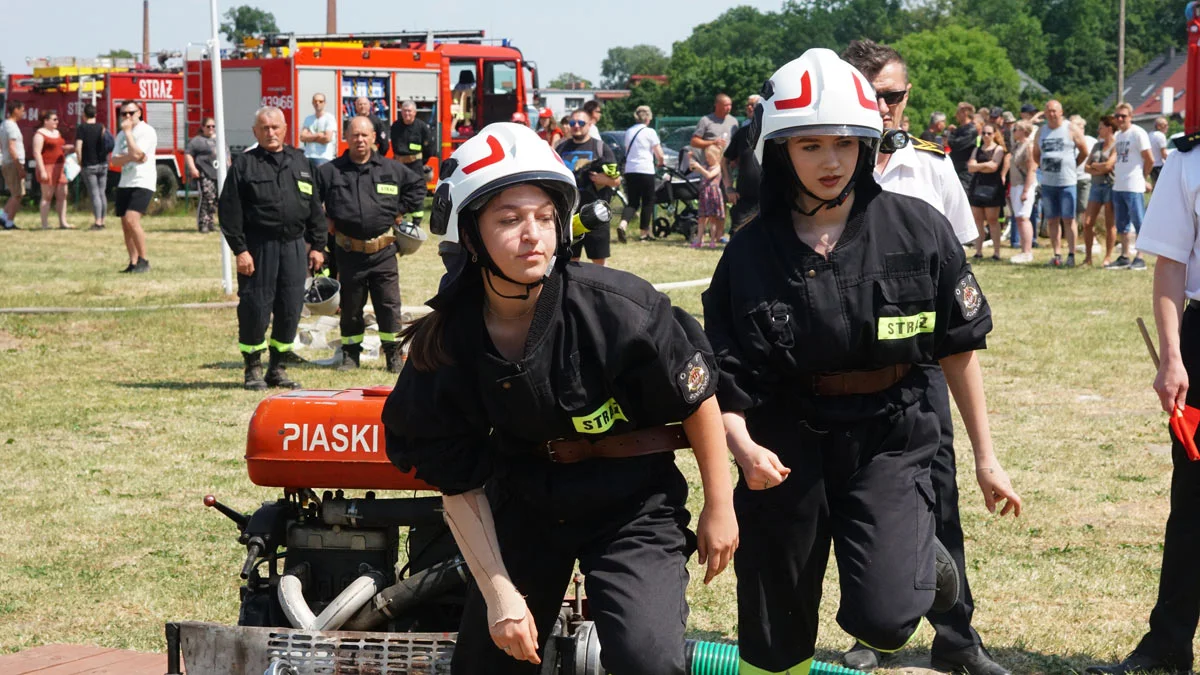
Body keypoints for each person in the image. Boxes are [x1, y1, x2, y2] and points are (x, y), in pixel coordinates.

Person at [702, 49, 1021, 675]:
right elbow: (723, 376)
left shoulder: (918, 230)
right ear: (780, 152)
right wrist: (741, 447)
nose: (830, 161)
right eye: (811, 145)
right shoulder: (747, 254)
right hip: (782, 439)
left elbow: (958, 346)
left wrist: (987, 458)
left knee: (886, 619)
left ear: (868, 146)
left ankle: (921, 567)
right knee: (774, 624)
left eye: (846, 144)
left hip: (892, 433)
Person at [382, 121, 738, 674]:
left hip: (633, 507)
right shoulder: (447, 343)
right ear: (469, 235)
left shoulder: (620, 309)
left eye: (545, 218)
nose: (533, 236)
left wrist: (720, 505)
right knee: (486, 663)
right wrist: (500, 596)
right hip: (525, 504)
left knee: (647, 660)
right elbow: (456, 479)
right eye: (509, 220)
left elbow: (696, 400)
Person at [842, 39, 1010, 675]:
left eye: (894, 94)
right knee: (850, 503)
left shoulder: (933, 167)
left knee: (940, 500)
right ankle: (867, 634)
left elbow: (958, 273)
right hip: (843, 372)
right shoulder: (817, 171)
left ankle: (957, 637)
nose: (886, 107)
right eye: (872, 95)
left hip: (921, 367)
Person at [1084, 130, 1200, 675]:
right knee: (1194, 502)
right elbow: (1171, 265)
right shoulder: (1189, 159)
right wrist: (1172, 357)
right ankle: (1168, 645)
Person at [218, 106, 326, 390]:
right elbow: (229, 211)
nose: (270, 132)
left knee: (291, 307)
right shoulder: (244, 165)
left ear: (285, 128)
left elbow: (314, 208)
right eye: (264, 128)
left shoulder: (301, 162)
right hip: (258, 248)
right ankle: (252, 367)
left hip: (293, 247)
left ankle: (277, 367)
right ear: (255, 132)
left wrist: (318, 246)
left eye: (275, 127)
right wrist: (240, 250)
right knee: (255, 306)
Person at [318, 116, 425, 373]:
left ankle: (393, 356)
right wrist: (325, 221)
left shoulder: (390, 169)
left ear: (374, 138)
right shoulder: (330, 171)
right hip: (348, 251)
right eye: (355, 135)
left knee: (389, 305)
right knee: (351, 307)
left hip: (383, 251)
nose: (360, 140)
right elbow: (311, 202)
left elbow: (418, 187)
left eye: (365, 135)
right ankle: (350, 355)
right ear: (346, 138)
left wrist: (399, 210)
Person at [555, 109, 619, 266]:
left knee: (598, 263)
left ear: (590, 124)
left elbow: (616, 181)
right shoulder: (561, 148)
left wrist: (601, 179)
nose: (576, 126)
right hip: (568, 214)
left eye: (581, 123)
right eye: (572, 123)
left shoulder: (600, 147)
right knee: (569, 261)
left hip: (595, 213)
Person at [1033, 100, 1089, 268]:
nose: (1051, 114)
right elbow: (1036, 154)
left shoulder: (1070, 128)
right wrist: (1043, 167)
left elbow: (1084, 150)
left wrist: (1072, 165)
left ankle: (1071, 254)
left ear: (1061, 112)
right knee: (1051, 220)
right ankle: (1056, 254)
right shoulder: (1041, 131)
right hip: (1048, 183)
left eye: (1054, 111)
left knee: (1069, 218)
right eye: (1048, 111)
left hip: (1067, 182)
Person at [111, 101, 157, 272]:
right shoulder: (120, 135)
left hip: (143, 181)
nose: (127, 117)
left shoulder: (146, 131)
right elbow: (114, 160)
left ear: (140, 112)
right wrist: (130, 156)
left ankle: (144, 260)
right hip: (126, 181)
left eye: (131, 113)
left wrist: (129, 134)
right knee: (125, 223)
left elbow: (140, 155)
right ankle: (133, 262)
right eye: (123, 114)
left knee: (132, 219)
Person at [1108, 102, 1154, 271]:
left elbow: (1149, 158)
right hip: (1119, 184)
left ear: (1131, 117)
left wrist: (1143, 178)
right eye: (1117, 116)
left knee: (1139, 222)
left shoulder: (1137, 133)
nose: (1119, 119)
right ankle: (1125, 256)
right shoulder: (1119, 135)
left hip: (1133, 185)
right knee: (1122, 224)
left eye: (1123, 116)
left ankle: (1140, 257)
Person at [619, 104, 664, 243]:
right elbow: (659, 153)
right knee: (648, 201)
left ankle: (623, 224)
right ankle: (644, 233)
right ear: (648, 118)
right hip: (646, 169)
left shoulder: (629, 131)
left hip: (630, 170)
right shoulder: (650, 132)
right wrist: (660, 162)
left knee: (632, 201)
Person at [724, 94, 764, 234]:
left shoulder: (775, 135)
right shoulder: (742, 134)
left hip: (769, 198)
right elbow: (725, 160)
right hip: (744, 199)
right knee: (738, 241)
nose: (749, 107)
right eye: (748, 105)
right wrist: (729, 188)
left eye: (754, 105)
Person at [968, 124, 1007, 260]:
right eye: (983, 133)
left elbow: (994, 167)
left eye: (989, 133)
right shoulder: (976, 149)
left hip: (993, 188)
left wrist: (978, 166)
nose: (986, 135)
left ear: (994, 134)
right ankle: (978, 251)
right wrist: (985, 165)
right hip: (977, 187)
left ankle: (996, 253)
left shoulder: (999, 149)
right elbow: (970, 167)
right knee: (977, 220)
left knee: (992, 220)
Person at [1083, 116, 1118, 268]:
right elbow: (1086, 167)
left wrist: (1095, 167)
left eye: (1101, 127)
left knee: (1110, 223)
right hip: (1096, 186)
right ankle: (1088, 257)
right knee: (1087, 222)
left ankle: (1108, 256)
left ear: (1109, 128)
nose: (1098, 130)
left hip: (1110, 185)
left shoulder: (1116, 145)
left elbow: (1110, 166)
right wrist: (1099, 168)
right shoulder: (1097, 146)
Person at [32, 109, 75, 230]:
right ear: (46, 121)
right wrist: (42, 171)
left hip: (60, 166)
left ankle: (63, 222)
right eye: (54, 119)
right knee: (47, 196)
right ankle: (44, 224)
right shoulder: (40, 134)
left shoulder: (57, 133)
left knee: (63, 194)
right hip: (47, 166)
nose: (57, 121)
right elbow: (37, 152)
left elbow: (58, 147)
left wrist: (65, 149)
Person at [75, 104, 111, 232]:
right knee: (102, 193)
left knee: (95, 193)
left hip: (89, 165)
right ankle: (103, 220)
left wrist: (80, 162)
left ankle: (98, 222)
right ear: (95, 115)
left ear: (84, 115)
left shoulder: (82, 128)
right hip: (103, 163)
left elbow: (78, 147)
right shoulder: (101, 127)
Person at [1008, 121, 1039, 265]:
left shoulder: (1029, 146)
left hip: (1024, 185)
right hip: (1016, 185)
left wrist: (1026, 190)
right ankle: (1023, 249)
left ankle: (1027, 251)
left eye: (1016, 129)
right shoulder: (1017, 146)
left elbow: (1031, 169)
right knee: (1019, 218)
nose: (1014, 131)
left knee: (1023, 218)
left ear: (1023, 131)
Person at [186, 117, 221, 233]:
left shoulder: (219, 139)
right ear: (202, 127)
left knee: (215, 199)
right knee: (207, 197)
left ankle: (211, 223)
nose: (211, 128)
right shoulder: (197, 141)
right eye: (208, 126)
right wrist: (192, 168)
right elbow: (188, 154)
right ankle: (203, 224)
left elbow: (226, 154)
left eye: (213, 126)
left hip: (218, 173)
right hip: (205, 173)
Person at [693, 144, 725, 248]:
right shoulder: (706, 166)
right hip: (704, 195)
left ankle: (712, 241)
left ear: (716, 157)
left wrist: (700, 168)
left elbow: (709, 175)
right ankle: (699, 240)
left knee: (712, 219)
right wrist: (691, 160)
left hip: (713, 195)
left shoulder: (718, 167)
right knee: (701, 218)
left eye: (709, 157)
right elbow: (693, 168)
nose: (707, 160)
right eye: (707, 157)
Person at [691, 94, 738, 164]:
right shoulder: (706, 120)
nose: (729, 108)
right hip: (710, 166)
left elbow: (736, 143)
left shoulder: (734, 121)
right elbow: (694, 142)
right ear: (717, 105)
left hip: (727, 165)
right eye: (726, 105)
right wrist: (712, 143)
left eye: (730, 105)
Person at [0, 101, 25, 231]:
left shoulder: (4, 125)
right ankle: (9, 221)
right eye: (22, 110)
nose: (23, 113)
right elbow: (12, 148)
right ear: (15, 110)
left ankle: (3, 215)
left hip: (7, 162)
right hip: (13, 163)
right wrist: (19, 167)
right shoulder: (12, 127)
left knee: (15, 193)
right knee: (18, 194)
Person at [299, 93, 337, 167]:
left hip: (323, 157)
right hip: (308, 156)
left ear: (325, 103)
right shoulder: (308, 119)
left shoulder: (329, 118)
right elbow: (302, 137)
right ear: (312, 103)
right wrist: (319, 135)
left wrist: (310, 136)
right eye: (315, 101)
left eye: (320, 101)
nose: (317, 103)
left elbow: (327, 139)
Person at [948, 102, 979, 190]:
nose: (956, 115)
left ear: (965, 112)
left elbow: (956, 144)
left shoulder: (971, 130)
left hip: (965, 172)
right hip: (955, 168)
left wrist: (950, 136)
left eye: (958, 112)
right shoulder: (960, 129)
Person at [1150, 116, 1171, 184]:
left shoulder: (1149, 134)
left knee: (1155, 185)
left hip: (1151, 166)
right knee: (1163, 185)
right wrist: (1172, 161)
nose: (1167, 127)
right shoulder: (1161, 136)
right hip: (1158, 165)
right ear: (1158, 126)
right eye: (1165, 125)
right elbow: (1164, 154)